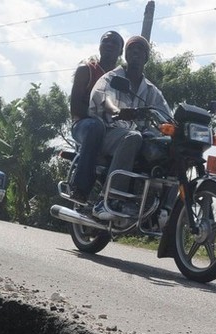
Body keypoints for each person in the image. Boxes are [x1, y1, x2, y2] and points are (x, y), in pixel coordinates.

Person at [88, 35, 170, 220]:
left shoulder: (151, 90)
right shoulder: (112, 78)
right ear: (125, 55)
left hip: (136, 137)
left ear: (146, 57)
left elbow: (166, 114)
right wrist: (117, 110)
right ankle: (108, 199)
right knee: (133, 137)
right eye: (131, 49)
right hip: (108, 132)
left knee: (170, 148)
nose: (135, 52)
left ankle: (165, 210)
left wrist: (180, 127)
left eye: (140, 50)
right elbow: (103, 97)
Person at [68, 30, 124, 203]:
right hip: (84, 125)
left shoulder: (121, 78)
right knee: (95, 126)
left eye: (114, 43)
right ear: (99, 46)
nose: (109, 45)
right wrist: (101, 118)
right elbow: (75, 106)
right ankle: (80, 188)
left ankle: (119, 196)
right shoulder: (87, 69)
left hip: (111, 128)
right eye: (106, 41)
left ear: (121, 51)